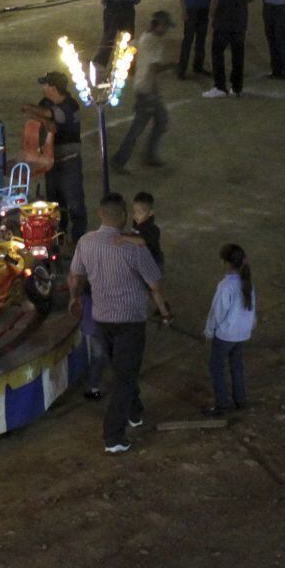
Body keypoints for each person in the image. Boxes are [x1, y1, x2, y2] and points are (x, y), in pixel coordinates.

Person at [68, 193, 172, 454]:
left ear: (100, 214)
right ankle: (113, 436)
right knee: (125, 377)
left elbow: (74, 276)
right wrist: (164, 312)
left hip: (102, 319)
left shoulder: (86, 242)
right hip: (130, 321)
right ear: (124, 217)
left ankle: (134, 412)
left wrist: (74, 298)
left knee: (122, 369)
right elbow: (155, 284)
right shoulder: (134, 247)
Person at [25, 71, 87, 241]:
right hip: (51, 161)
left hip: (69, 162)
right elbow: (45, 118)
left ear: (52, 87)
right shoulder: (47, 103)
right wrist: (42, 118)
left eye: (45, 84)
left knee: (74, 203)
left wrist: (36, 113)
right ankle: (58, 237)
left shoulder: (70, 105)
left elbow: (51, 120)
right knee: (54, 203)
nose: (42, 87)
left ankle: (79, 240)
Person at [113, 10, 172, 171]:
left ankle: (149, 155)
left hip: (142, 86)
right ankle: (120, 160)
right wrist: (173, 65)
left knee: (161, 119)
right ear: (158, 25)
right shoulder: (156, 42)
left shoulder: (144, 37)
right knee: (138, 128)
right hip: (148, 90)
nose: (166, 29)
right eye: (165, 25)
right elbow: (155, 67)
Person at [203, 244, 257, 415]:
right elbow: (252, 309)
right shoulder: (247, 283)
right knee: (236, 365)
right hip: (241, 333)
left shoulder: (226, 286)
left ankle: (222, 405)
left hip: (226, 335)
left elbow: (217, 312)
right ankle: (240, 400)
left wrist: (209, 331)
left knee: (216, 367)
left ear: (225, 263)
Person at [202, 0, 256, 98]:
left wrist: (211, 16)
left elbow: (215, 0)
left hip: (223, 21)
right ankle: (237, 87)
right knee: (238, 54)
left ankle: (220, 86)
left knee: (217, 52)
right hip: (239, 21)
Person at [130, 191, 163, 266]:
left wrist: (124, 238)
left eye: (140, 213)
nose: (136, 215)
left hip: (153, 261)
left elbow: (142, 241)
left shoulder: (152, 229)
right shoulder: (137, 221)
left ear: (150, 212)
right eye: (134, 212)